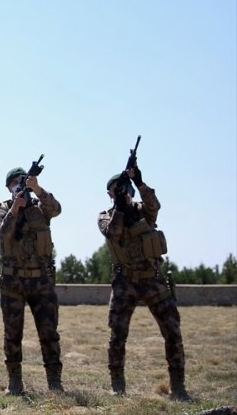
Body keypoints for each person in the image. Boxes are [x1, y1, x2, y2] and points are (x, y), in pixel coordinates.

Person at [98, 163, 188, 399]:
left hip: (153, 280)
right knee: (117, 334)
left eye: (125, 188)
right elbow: (113, 233)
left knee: (172, 330)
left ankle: (178, 387)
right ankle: (117, 385)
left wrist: (138, 181)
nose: (123, 192)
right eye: (117, 190)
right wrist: (119, 206)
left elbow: (155, 205)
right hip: (124, 282)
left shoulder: (143, 211)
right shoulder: (105, 216)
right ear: (110, 193)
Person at [0, 166, 63, 394]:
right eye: (15, 182)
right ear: (8, 187)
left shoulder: (40, 208)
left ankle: (54, 382)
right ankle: (15, 381)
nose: (19, 185)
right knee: (12, 334)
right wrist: (15, 208)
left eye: (22, 181)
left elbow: (57, 209)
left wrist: (39, 190)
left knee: (49, 333)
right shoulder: (1, 209)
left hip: (41, 281)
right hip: (13, 282)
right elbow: (3, 234)